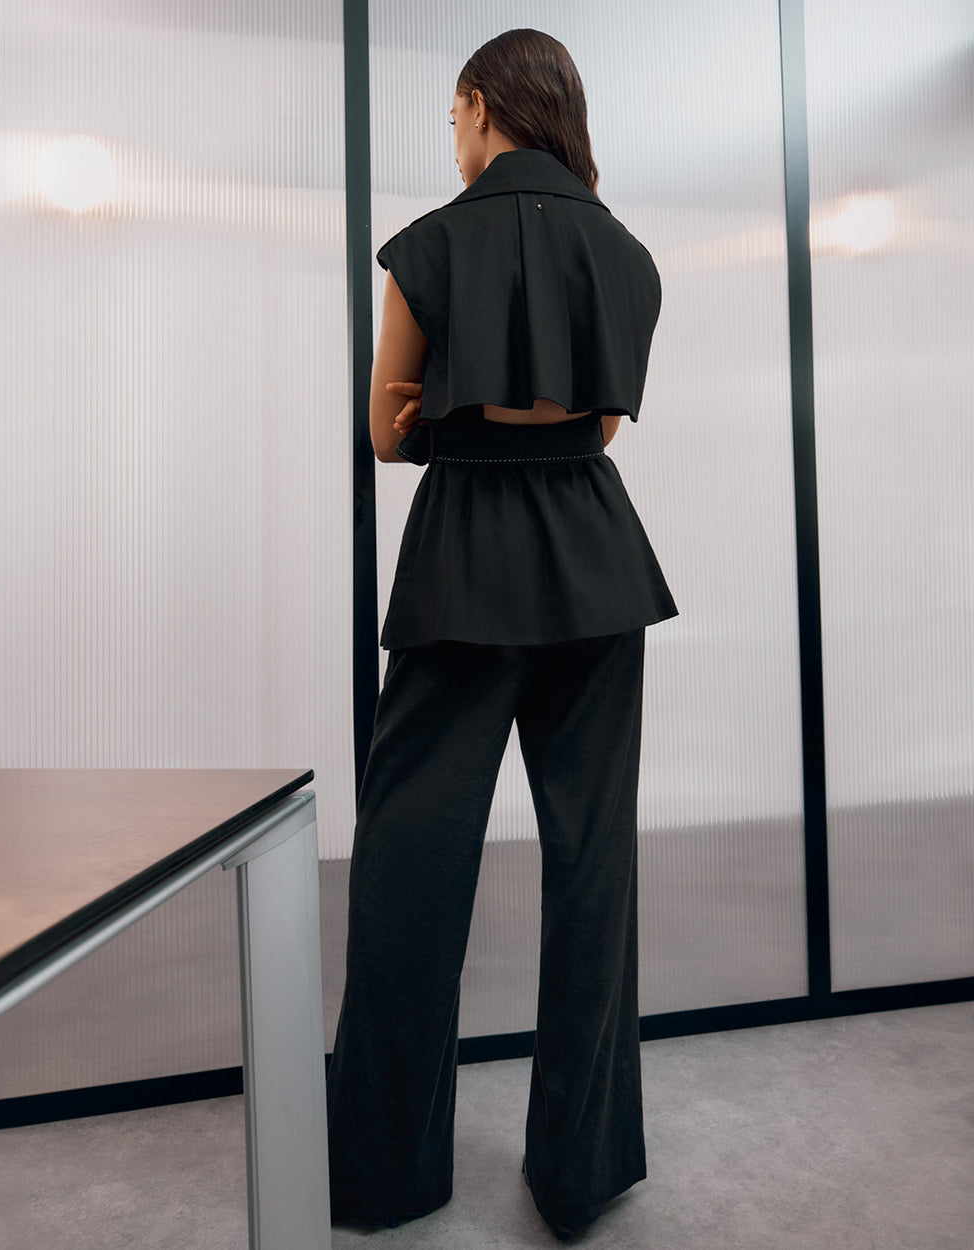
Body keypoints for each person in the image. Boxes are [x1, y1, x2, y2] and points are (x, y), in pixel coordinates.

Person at [326, 28, 678, 1242]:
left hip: (464, 560)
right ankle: (578, 1174)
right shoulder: (624, 253)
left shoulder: (429, 245)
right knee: (594, 864)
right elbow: (600, 430)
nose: (456, 135)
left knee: (410, 864)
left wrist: (449, 419)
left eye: (453, 115)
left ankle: (382, 1169)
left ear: (478, 106)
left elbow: (387, 430)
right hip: (594, 563)